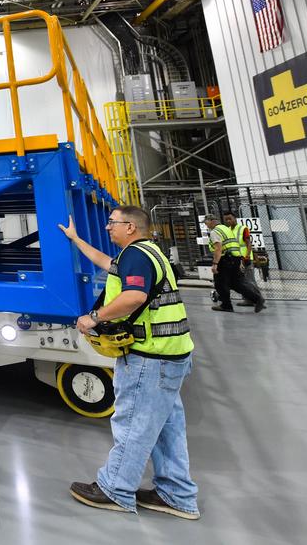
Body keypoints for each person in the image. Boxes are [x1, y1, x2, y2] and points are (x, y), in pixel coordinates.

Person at [58, 206, 199, 520]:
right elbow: (106, 263)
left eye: (112, 223)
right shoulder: (147, 253)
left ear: (131, 227)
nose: (108, 227)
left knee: (133, 424)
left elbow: (134, 296)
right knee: (166, 428)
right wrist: (75, 239)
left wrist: (93, 317)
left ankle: (115, 489)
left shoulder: (136, 256)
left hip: (150, 358)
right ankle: (176, 494)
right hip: (171, 354)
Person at [210, 212, 266, 313]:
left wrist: (215, 264)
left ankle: (227, 305)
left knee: (223, 283)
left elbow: (219, 248)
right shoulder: (228, 229)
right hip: (236, 259)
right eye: (226, 219)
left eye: (230, 219)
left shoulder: (239, 229)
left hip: (233, 259)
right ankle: (257, 299)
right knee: (237, 283)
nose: (228, 221)